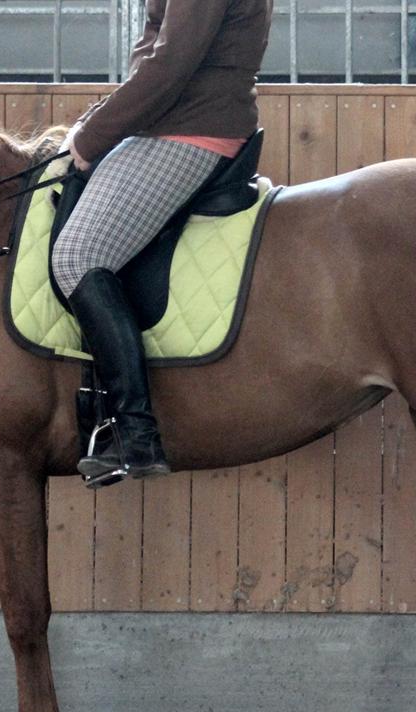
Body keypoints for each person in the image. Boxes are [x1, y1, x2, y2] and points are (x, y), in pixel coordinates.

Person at [52, 0, 274, 486]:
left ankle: (134, 432)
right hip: (172, 120)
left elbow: (171, 63)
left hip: (193, 127)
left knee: (77, 256)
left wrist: (90, 139)